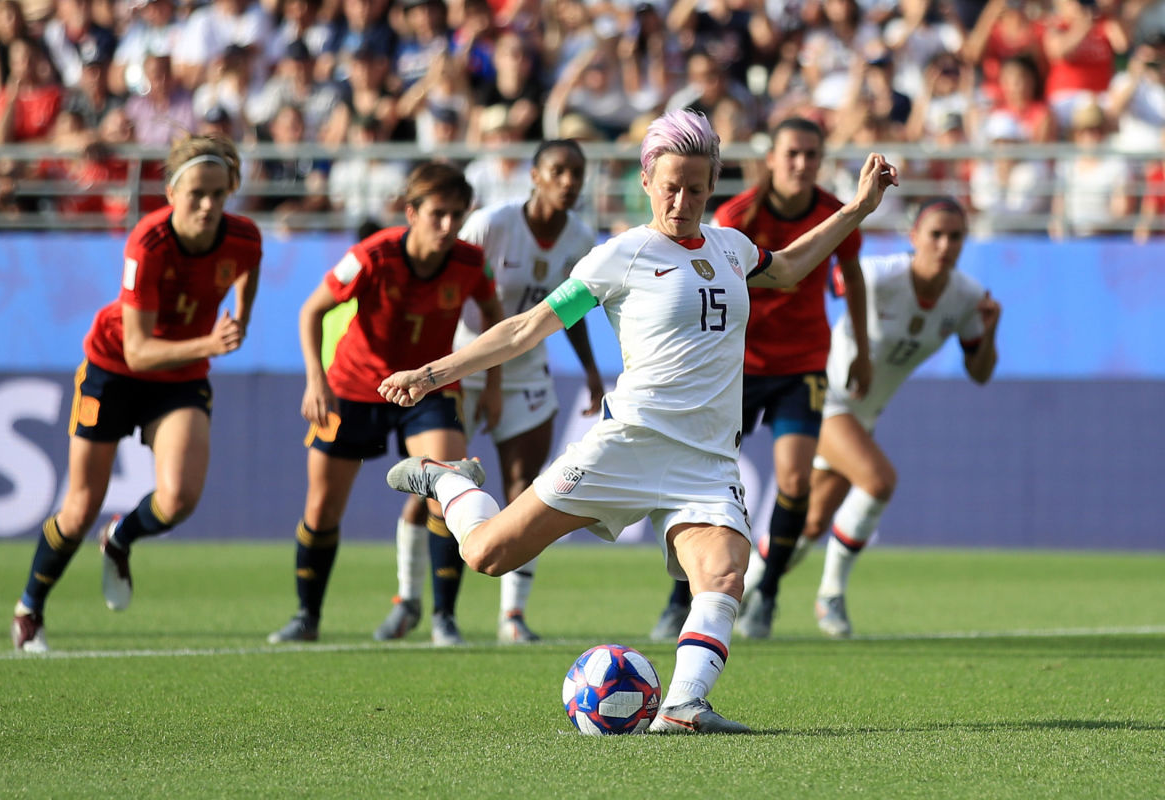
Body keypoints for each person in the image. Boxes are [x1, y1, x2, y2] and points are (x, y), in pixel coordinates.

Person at [379, 109, 897, 733]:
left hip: (705, 461)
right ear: (648, 180)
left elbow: (787, 267)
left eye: (698, 189)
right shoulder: (619, 256)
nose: (683, 201)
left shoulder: (732, 249)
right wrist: (431, 374)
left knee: (727, 571)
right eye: (672, 186)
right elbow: (523, 328)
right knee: (488, 554)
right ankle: (449, 481)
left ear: (712, 189)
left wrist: (857, 210)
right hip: (626, 444)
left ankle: (681, 707)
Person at [11, 134, 261, 652]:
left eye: (219, 193)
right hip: (114, 368)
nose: (209, 205)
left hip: (183, 375)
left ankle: (121, 537)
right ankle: (30, 607)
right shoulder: (148, 244)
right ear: (171, 193)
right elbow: (139, 351)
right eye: (197, 193)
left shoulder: (244, 237)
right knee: (79, 508)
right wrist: (212, 340)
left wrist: (243, 315)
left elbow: (247, 267)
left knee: (179, 500)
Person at [650, 116, 873, 642]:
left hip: (803, 364)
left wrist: (860, 348)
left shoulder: (829, 213)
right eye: (792, 153)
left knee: (795, 481)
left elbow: (853, 277)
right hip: (740, 368)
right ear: (770, 157)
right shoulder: (737, 214)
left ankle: (768, 592)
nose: (801, 164)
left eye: (811, 155)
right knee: (708, 479)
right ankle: (682, 595)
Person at [374, 139, 604, 645]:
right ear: (535, 177)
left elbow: (572, 311)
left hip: (526, 373)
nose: (569, 181)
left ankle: (513, 617)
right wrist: (432, 369)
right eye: (559, 170)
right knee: (436, 486)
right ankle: (411, 600)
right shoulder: (491, 225)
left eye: (577, 173)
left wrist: (590, 370)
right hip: (461, 369)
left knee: (527, 492)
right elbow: (447, 294)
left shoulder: (582, 238)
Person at [267, 162, 504, 647]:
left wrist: (494, 384)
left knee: (451, 481)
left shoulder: (468, 262)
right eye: (438, 213)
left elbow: (496, 316)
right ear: (411, 211)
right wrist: (316, 380)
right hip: (354, 388)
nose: (448, 226)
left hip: (427, 389)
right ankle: (306, 616)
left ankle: (444, 620)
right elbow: (312, 309)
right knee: (323, 508)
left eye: (457, 215)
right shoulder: (372, 255)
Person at [790, 197, 1000, 637]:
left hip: (864, 414)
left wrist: (991, 329)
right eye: (935, 235)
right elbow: (838, 280)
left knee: (810, 523)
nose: (945, 245)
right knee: (879, 481)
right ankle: (831, 595)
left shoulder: (965, 297)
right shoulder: (880, 274)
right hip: (827, 397)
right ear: (914, 238)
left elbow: (979, 375)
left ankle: (745, 593)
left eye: (956, 236)